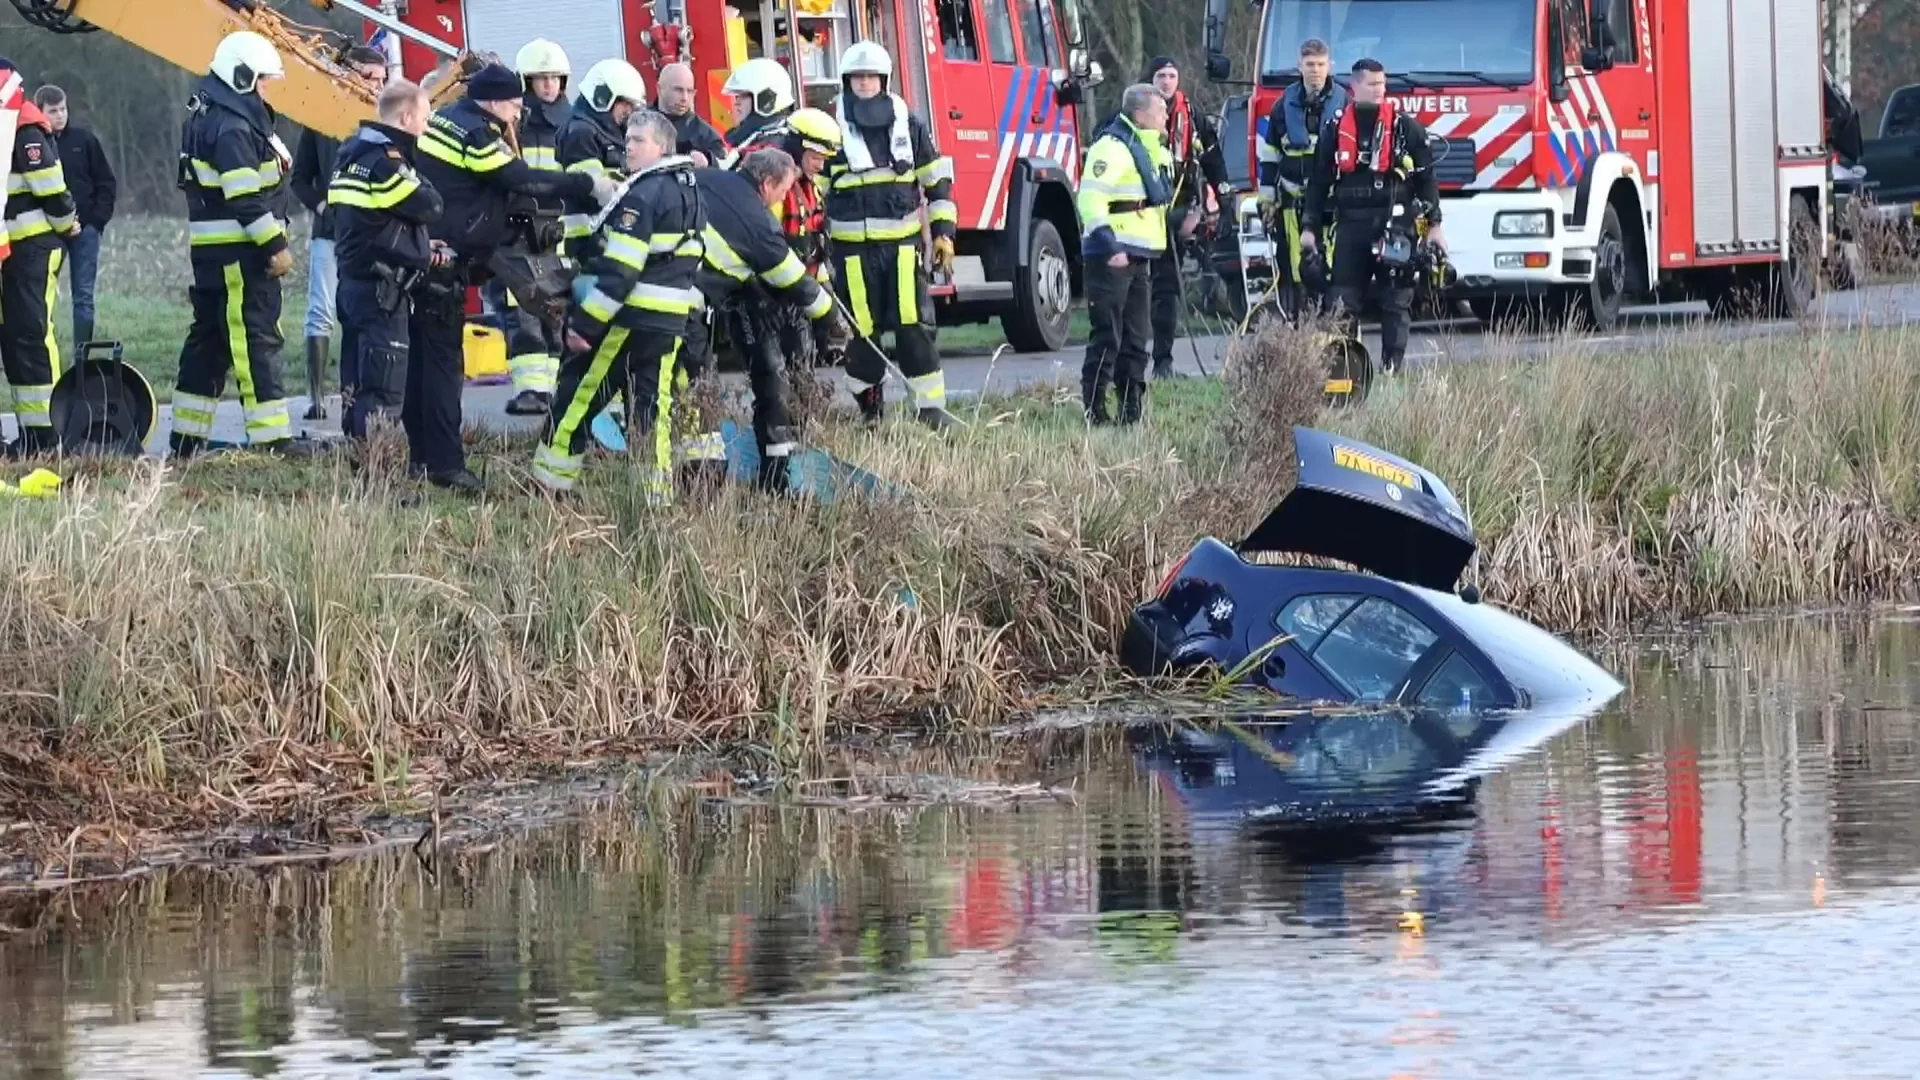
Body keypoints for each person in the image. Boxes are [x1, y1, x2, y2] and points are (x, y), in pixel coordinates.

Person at [414, 60, 616, 493]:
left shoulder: (451, 117)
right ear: (493, 101)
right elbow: (515, 177)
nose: (517, 113)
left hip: (437, 248)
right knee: (444, 368)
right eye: (512, 105)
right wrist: (585, 185)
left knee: (426, 366)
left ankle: (422, 458)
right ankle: (447, 467)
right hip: (449, 256)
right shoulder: (475, 132)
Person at [532, 110, 703, 500]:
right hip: (669, 324)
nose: (628, 146)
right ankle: (655, 501)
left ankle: (550, 486)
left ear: (661, 146)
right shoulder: (688, 189)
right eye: (627, 139)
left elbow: (620, 270)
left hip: (629, 321)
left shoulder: (643, 195)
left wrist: (584, 325)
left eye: (638, 140)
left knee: (580, 397)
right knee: (651, 414)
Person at [169, 32, 313, 460]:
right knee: (256, 341)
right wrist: (275, 246)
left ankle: (186, 440)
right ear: (243, 77)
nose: (270, 90)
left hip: (217, 257)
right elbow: (244, 197)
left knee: (210, 344)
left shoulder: (215, 112)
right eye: (265, 82)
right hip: (242, 258)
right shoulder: (232, 126)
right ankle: (272, 440)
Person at [689, 148, 845, 493]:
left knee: (688, 383)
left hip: (673, 292)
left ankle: (695, 475)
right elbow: (793, 278)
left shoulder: (711, 179)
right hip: (688, 302)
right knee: (767, 377)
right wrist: (831, 319)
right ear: (766, 182)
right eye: (784, 190)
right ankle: (774, 478)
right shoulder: (756, 220)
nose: (784, 198)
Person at [825, 41, 958, 429]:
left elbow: (936, 182)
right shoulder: (831, 127)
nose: (864, 83)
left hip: (901, 252)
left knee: (914, 328)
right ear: (846, 81)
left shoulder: (910, 124)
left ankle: (931, 411)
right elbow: (814, 190)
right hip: (850, 256)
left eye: (871, 76)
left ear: (884, 80)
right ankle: (870, 412)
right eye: (857, 77)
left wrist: (944, 235)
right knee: (861, 335)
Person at [1299, 57, 1444, 375]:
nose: (1380, 90)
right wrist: (1309, 229)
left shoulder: (1406, 128)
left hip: (1395, 223)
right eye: (1372, 84)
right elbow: (1319, 183)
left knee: (1396, 299)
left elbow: (1426, 179)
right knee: (1341, 302)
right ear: (1354, 87)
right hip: (1351, 225)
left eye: (1382, 84)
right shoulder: (1335, 128)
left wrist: (1435, 228)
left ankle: (1392, 368)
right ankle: (1345, 374)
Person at [328, 78, 445, 444]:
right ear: (407, 117)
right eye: (424, 120)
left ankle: (360, 466)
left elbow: (375, 219)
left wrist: (420, 244)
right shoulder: (385, 162)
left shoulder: (351, 153)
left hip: (353, 285)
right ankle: (382, 476)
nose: (425, 128)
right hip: (382, 291)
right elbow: (430, 205)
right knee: (382, 391)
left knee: (356, 385)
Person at [290, 45, 389, 420]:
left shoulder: (387, 120)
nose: (376, 86)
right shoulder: (318, 120)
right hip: (330, 234)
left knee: (361, 312)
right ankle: (316, 398)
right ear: (346, 74)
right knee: (321, 311)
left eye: (381, 79)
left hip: (373, 234)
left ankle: (356, 394)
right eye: (369, 77)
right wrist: (322, 208)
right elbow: (300, 178)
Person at [1075, 83, 1170, 426]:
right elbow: (1090, 199)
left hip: (1138, 256)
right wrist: (1109, 246)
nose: (1166, 117)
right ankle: (1096, 411)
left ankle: (1131, 412)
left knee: (1135, 338)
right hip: (1111, 258)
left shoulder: (1149, 149)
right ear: (1141, 114)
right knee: (1107, 337)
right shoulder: (1112, 148)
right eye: (1160, 111)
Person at [2, 57, 80, 455]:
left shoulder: (25, 126)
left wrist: (69, 224)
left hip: (33, 248)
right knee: (16, 339)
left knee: (30, 335)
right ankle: (31, 435)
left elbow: (51, 186)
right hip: (11, 251)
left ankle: (45, 437)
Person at [496, 38, 574, 418]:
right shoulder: (511, 124)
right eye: (539, 78)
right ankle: (531, 390)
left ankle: (556, 389)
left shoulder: (574, 123)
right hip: (518, 232)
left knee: (555, 312)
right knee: (523, 311)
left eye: (554, 78)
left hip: (556, 233)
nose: (548, 85)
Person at [1142, 56, 1227, 380]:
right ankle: (1133, 362)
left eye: (1172, 75)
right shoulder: (1132, 117)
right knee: (1138, 292)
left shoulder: (1193, 116)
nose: (1166, 81)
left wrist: (1223, 200)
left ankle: (1163, 363)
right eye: (1161, 75)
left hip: (1181, 214)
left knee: (1167, 291)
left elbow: (1214, 161)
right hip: (1143, 216)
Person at [1259, 38, 1347, 316]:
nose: (1316, 70)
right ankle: (1301, 327)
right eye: (1310, 64)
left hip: (1330, 203)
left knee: (1332, 266)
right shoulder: (1282, 106)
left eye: (1321, 64)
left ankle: (1332, 322)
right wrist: (1267, 199)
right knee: (1296, 269)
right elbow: (1270, 155)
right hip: (1292, 201)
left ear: (1329, 66)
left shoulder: (1345, 102)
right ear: (1300, 66)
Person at [32, 84, 115, 351]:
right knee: (40, 297)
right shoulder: (32, 145)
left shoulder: (85, 141)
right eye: (53, 110)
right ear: (40, 111)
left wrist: (96, 223)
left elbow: (106, 182)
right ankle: (43, 353)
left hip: (85, 230)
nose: (60, 115)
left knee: (84, 297)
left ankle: (82, 359)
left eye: (63, 109)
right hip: (47, 232)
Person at [558, 57, 652, 259]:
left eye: (633, 105)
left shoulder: (609, 131)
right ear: (602, 98)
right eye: (624, 103)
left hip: (602, 236)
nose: (630, 112)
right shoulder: (581, 134)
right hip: (585, 242)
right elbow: (594, 189)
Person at [657, 61, 728, 166]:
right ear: (659, 89)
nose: (684, 98)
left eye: (689, 91)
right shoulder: (638, 123)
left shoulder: (705, 135)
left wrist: (708, 159)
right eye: (678, 90)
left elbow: (723, 166)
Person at [721, 57, 794, 148]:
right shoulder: (757, 136)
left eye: (744, 95)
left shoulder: (770, 144)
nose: (737, 102)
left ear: (765, 100)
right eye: (737, 96)